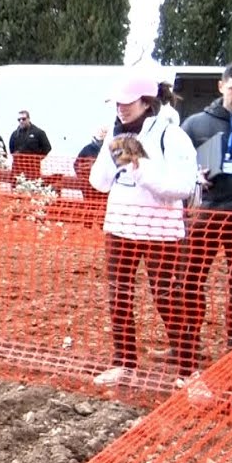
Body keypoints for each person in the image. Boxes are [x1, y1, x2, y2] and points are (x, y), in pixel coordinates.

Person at [87, 74, 197, 387]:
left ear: (146, 102)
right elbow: (100, 182)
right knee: (119, 297)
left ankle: (188, 372)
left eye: (127, 102)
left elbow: (182, 186)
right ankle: (124, 364)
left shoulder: (172, 135)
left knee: (167, 298)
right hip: (120, 227)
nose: (121, 108)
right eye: (117, 103)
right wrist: (109, 149)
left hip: (160, 231)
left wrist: (139, 167)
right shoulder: (116, 133)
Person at [177, 59, 232, 377]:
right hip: (207, 214)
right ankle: (187, 342)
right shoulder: (196, 124)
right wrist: (194, 174)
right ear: (221, 86)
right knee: (191, 279)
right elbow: (176, 163)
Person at [8, 110, 52, 182]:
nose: (21, 121)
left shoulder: (39, 132)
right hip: (17, 167)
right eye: (19, 120)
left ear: (28, 119)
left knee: (31, 188)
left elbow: (47, 147)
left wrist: (37, 158)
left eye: (23, 119)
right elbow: (11, 149)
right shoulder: (15, 134)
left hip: (32, 168)